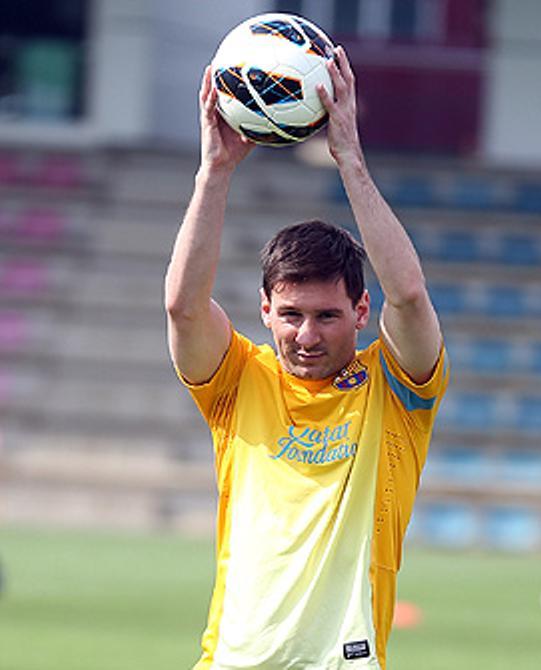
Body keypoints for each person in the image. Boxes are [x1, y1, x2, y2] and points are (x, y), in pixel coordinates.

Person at [166, 46, 446, 670]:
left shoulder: (395, 388)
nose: (307, 335)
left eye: (326, 316)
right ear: (265, 311)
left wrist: (351, 160)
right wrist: (213, 174)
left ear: (361, 312)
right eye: (291, 316)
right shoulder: (238, 379)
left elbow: (410, 293)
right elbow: (185, 309)